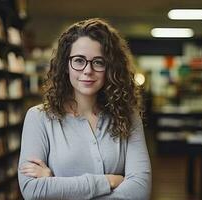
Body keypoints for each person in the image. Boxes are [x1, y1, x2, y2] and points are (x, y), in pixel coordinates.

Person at [18, 18, 151, 200]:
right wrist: (109, 181)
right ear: (66, 65)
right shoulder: (38, 118)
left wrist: (55, 184)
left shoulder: (128, 116)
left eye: (98, 62)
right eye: (79, 60)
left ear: (110, 67)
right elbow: (33, 191)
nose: (88, 70)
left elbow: (139, 191)